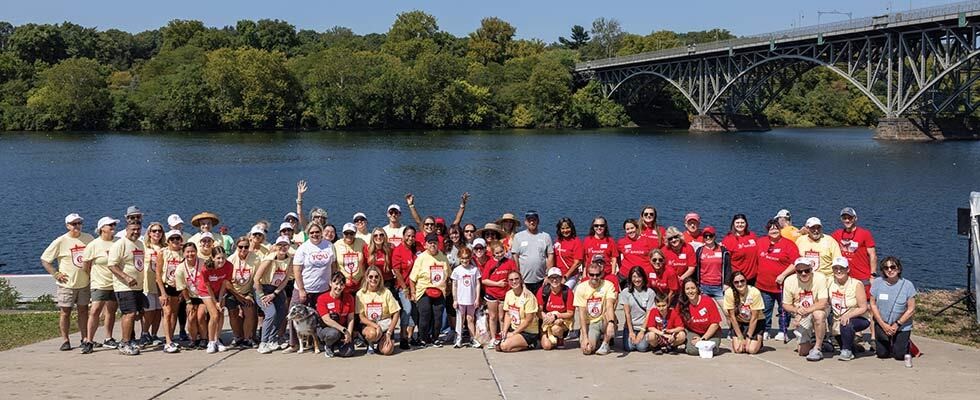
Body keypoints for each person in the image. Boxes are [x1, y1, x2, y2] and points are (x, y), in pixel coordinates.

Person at [42, 213, 95, 352]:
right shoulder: (60, 241)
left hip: (84, 283)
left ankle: (85, 338)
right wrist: (55, 273)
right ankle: (65, 340)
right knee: (65, 312)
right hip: (66, 284)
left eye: (79, 223)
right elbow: (45, 259)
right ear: (67, 226)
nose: (77, 226)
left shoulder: (88, 238)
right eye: (74, 224)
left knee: (83, 310)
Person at [287, 222, 336, 353]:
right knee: (294, 314)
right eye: (312, 233)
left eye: (317, 232)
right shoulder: (303, 248)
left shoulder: (329, 246)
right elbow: (297, 270)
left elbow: (333, 266)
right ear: (308, 234)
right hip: (304, 288)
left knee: (319, 317)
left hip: (323, 289)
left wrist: (332, 282)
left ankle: (319, 342)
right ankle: (294, 344)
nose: (315, 235)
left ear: (321, 232)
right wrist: (302, 289)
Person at [755, 219, 799, 342]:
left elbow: (795, 262)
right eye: (771, 229)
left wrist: (783, 275)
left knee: (783, 309)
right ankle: (765, 330)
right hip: (763, 285)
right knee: (765, 310)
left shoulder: (789, 244)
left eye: (776, 228)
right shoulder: (761, 242)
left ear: (780, 229)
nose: (773, 231)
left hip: (782, 285)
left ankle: (782, 330)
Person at [107, 222, 147, 355]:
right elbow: (112, 265)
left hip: (138, 287)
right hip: (124, 287)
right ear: (126, 229)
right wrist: (126, 277)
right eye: (133, 229)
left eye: (138, 229)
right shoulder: (120, 244)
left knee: (137, 314)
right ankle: (124, 343)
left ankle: (131, 339)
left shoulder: (140, 244)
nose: (136, 232)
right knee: (129, 314)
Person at [782, 257, 829, 361]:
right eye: (799, 271)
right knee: (803, 351)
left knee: (818, 315)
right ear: (796, 271)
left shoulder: (820, 278)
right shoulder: (789, 281)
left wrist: (805, 312)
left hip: (817, 308)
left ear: (811, 269)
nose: (803, 273)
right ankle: (819, 340)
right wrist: (796, 311)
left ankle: (817, 347)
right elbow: (786, 304)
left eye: (806, 270)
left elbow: (823, 302)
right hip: (800, 311)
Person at [870, 256, 917, 361]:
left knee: (899, 356)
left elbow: (911, 309)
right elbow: (872, 304)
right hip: (883, 323)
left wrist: (897, 324)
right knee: (882, 354)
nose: (890, 270)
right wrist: (883, 324)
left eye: (892, 267)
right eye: (886, 268)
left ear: (899, 269)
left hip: (901, 325)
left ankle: (907, 344)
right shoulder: (877, 283)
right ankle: (888, 342)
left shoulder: (908, 285)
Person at [409, 233, 450, 347]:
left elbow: (449, 276)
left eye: (435, 243)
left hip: (439, 291)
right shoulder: (420, 258)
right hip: (424, 290)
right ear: (425, 244)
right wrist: (412, 293)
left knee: (438, 317)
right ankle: (423, 338)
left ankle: (435, 338)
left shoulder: (443, 257)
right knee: (425, 315)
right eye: (430, 243)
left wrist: (448, 289)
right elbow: (412, 278)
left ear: (438, 244)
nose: (433, 245)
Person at [253, 236, 293, 354]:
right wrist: (261, 295)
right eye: (280, 245)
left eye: (285, 245)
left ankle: (272, 339)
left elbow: (285, 280)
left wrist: (275, 294)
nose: (282, 247)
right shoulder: (269, 259)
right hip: (262, 288)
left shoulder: (289, 260)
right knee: (271, 313)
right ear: (275, 246)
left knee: (282, 312)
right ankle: (263, 342)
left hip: (277, 289)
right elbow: (256, 279)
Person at [828, 257, 870, 361]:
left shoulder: (856, 284)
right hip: (837, 316)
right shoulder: (829, 282)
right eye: (835, 268)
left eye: (842, 268)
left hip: (858, 318)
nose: (838, 271)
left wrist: (848, 315)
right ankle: (852, 347)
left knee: (846, 323)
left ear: (847, 269)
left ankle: (847, 351)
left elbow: (863, 307)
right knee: (829, 318)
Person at [667, 279, 722, 356]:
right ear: (684, 291)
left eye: (693, 288)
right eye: (687, 289)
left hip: (711, 333)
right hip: (693, 332)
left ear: (697, 289)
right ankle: (687, 343)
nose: (690, 291)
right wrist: (672, 334)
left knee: (712, 350)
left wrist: (702, 339)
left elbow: (715, 323)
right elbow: (676, 321)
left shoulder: (708, 301)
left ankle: (691, 343)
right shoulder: (681, 304)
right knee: (693, 351)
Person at [575, 257, 618, 355]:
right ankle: (593, 338)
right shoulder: (581, 287)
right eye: (591, 274)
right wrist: (585, 337)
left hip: (603, 319)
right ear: (587, 274)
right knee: (588, 350)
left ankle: (605, 344)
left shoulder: (608, 285)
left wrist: (611, 322)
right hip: (590, 322)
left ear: (602, 274)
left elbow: (610, 306)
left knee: (611, 317)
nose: (594, 277)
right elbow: (581, 314)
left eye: (597, 275)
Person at [831, 207, 877, 300]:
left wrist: (873, 275)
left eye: (850, 218)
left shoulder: (865, 233)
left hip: (862, 276)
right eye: (844, 218)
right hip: (845, 276)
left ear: (855, 218)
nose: (847, 220)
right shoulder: (837, 234)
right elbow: (824, 241)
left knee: (867, 303)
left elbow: (873, 255)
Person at [356, 266, 401, 355]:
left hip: (385, 324)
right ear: (366, 278)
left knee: (387, 351)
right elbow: (361, 317)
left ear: (380, 278)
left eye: (376, 277)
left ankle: (382, 342)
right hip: (370, 325)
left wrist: (389, 332)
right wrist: (376, 326)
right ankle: (370, 344)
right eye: (371, 277)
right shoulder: (360, 293)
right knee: (372, 333)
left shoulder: (386, 292)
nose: (374, 279)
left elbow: (396, 312)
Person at [481, 241, 517, 349]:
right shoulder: (490, 263)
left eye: (501, 251)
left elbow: (515, 275)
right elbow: (484, 280)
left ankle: (502, 336)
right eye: (497, 253)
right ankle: (493, 338)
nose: (500, 254)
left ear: (505, 250)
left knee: (502, 317)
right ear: (493, 253)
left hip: (504, 294)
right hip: (491, 293)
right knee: (492, 317)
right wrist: (497, 284)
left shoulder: (510, 262)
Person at [226, 236, 260, 348]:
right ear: (236, 247)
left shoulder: (255, 259)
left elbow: (256, 279)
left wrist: (250, 294)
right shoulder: (231, 260)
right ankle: (237, 337)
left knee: (249, 311)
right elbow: (227, 282)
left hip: (248, 291)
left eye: (246, 247)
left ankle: (247, 338)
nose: (243, 249)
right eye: (240, 247)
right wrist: (238, 295)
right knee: (233, 313)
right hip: (233, 291)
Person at [510, 210, 554, 295]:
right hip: (523, 280)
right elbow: (515, 257)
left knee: (540, 305)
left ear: (538, 221)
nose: (532, 222)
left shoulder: (546, 236)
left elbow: (550, 256)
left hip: (541, 280)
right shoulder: (518, 237)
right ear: (525, 222)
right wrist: (518, 276)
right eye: (529, 220)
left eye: (534, 220)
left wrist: (548, 275)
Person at [155, 230, 185, 353]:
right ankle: (167, 341)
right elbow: (157, 273)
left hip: (178, 287)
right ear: (168, 241)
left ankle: (171, 338)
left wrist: (183, 291)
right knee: (167, 312)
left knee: (174, 313)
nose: (175, 241)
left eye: (178, 238)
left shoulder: (183, 253)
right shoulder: (163, 253)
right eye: (172, 239)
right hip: (165, 285)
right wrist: (162, 292)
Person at [198, 247, 232, 353]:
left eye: (223, 258)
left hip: (220, 291)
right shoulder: (205, 269)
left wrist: (220, 299)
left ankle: (217, 340)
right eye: (218, 258)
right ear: (213, 258)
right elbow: (207, 286)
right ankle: (211, 342)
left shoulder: (229, 266)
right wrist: (215, 301)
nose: (221, 261)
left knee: (221, 313)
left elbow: (224, 284)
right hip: (206, 292)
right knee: (214, 315)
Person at [392, 225, 420, 349]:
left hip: (417, 286)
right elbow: (397, 271)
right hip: (403, 286)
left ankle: (410, 336)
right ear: (403, 237)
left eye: (413, 236)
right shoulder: (398, 250)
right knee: (407, 309)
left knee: (415, 311)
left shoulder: (417, 248)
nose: (410, 238)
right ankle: (403, 336)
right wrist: (405, 288)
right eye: (408, 236)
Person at [316, 271, 356, 358]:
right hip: (327, 328)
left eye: (341, 284)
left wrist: (348, 333)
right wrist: (344, 330)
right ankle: (328, 345)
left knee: (348, 352)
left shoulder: (349, 298)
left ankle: (338, 344)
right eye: (336, 283)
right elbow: (326, 319)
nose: (339, 287)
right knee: (334, 333)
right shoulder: (322, 298)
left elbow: (351, 318)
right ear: (330, 283)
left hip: (342, 329)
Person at [723, 271, 765, 354]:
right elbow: (732, 317)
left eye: (742, 281)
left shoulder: (754, 292)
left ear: (746, 281)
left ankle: (758, 340)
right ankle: (742, 338)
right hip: (739, 323)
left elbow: (754, 317)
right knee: (739, 350)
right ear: (733, 284)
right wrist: (740, 337)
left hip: (755, 323)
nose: (740, 284)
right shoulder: (729, 293)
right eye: (736, 282)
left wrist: (748, 337)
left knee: (751, 350)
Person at [175, 242, 207, 350]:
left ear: (196, 252)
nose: (190, 254)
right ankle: (193, 339)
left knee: (201, 315)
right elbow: (182, 287)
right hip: (190, 296)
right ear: (183, 253)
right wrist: (188, 302)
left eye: (192, 251)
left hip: (203, 295)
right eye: (187, 252)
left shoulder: (203, 263)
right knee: (191, 317)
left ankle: (204, 338)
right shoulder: (180, 268)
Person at [497, 271, 539, 352]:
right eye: (511, 280)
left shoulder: (528, 296)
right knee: (498, 346)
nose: (514, 282)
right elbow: (508, 314)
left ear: (521, 280)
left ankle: (531, 344)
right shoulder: (509, 294)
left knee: (504, 346)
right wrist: (505, 331)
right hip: (514, 328)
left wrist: (513, 334)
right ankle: (519, 344)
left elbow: (528, 320)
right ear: (508, 282)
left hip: (528, 332)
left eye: (516, 279)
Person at [450, 247, 481, 348]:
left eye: (467, 258)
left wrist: (477, 298)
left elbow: (477, 284)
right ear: (459, 258)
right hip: (460, 300)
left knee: (470, 319)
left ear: (470, 258)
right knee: (460, 319)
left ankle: (473, 338)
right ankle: (458, 338)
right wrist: (455, 299)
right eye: (462, 258)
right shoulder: (457, 270)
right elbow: (454, 285)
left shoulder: (474, 269)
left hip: (471, 299)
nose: (464, 260)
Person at [619, 266, 656, 353]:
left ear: (643, 277)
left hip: (643, 326)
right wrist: (631, 332)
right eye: (634, 277)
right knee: (629, 347)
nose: (637, 280)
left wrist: (642, 331)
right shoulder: (626, 292)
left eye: (639, 276)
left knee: (641, 348)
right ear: (631, 278)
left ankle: (648, 340)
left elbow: (648, 313)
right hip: (630, 326)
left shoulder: (650, 292)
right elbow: (627, 314)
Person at [537, 268, 575, 350]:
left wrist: (556, 316)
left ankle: (560, 337)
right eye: (552, 278)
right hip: (546, 320)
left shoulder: (567, 292)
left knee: (556, 328)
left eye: (557, 277)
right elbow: (539, 311)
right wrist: (546, 317)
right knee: (547, 346)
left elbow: (570, 313)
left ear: (561, 278)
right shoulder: (543, 291)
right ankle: (545, 336)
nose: (554, 280)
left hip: (561, 321)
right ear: (548, 279)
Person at [140, 222, 166, 346]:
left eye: (159, 231)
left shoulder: (164, 247)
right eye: (154, 231)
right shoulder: (144, 247)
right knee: (148, 311)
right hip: (147, 283)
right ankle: (145, 333)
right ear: (149, 233)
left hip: (161, 284)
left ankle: (155, 334)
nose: (157, 233)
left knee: (158, 311)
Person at [694, 226, 730, 301]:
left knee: (723, 311)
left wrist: (726, 284)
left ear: (714, 236)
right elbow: (696, 268)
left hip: (719, 287)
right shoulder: (699, 251)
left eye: (710, 235)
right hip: (703, 287)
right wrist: (696, 284)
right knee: (705, 310)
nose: (708, 238)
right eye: (705, 236)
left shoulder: (723, 250)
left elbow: (728, 268)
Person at [721, 214, 759, 285]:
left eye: (742, 222)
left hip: (753, 277)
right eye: (737, 223)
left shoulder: (752, 235)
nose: (740, 225)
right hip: (737, 279)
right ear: (733, 224)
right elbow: (725, 263)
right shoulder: (728, 239)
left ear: (746, 223)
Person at [618, 218, 655, 289]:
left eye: (632, 228)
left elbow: (653, 257)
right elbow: (616, 256)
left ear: (637, 228)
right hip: (626, 275)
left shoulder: (647, 241)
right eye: (627, 229)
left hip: (643, 275)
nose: (630, 231)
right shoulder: (621, 242)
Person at [334, 223, 367, 296]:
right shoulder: (336, 245)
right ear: (342, 234)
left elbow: (368, 258)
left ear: (355, 233)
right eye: (346, 233)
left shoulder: (361, 242)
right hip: (343, 283)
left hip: (359, 283)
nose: (349, 235)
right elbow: (333, 265)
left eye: (351, 233)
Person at [553, 218, 584, 288]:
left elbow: (577, 263)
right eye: (563, 228)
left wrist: (565, 277)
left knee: (565, 291)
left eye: (567, 228)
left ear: (571, 228)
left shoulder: (576, 242)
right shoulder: (558, 241)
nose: (565, 231)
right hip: (557, 274)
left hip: (571, 276)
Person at [367, 228, 396, 294]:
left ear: (384, 236)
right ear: (372, 237)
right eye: (375, 235)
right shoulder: (367, 249)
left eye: (381, 235)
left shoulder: (391, 248)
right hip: (373, 281)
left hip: (388, 281)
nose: (378, 237)